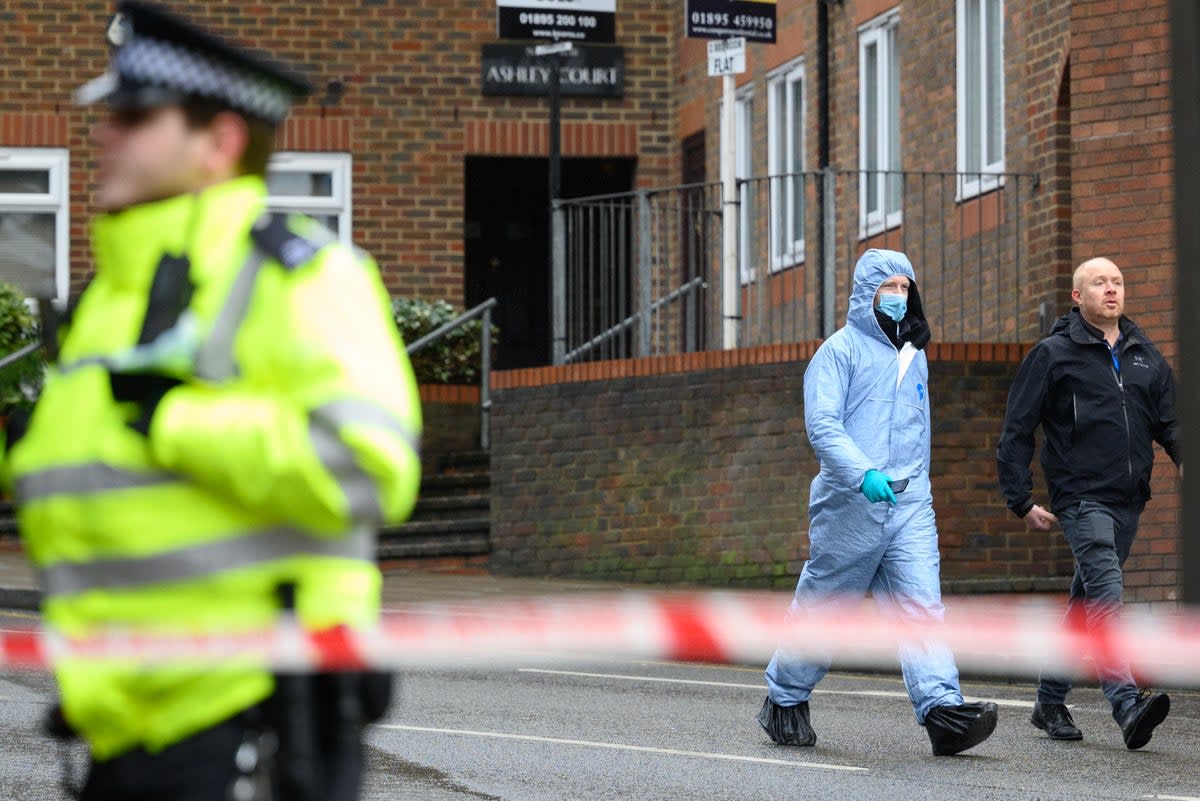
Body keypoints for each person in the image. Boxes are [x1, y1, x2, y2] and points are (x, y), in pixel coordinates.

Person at [1, 2, 422, 799]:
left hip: (247, 719)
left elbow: (370, 465)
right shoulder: (110, 299)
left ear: (221, 141)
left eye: (134, 114)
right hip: (124, 721)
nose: (105, 132)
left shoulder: (300, 276)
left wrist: (174, 418)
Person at [758, 248, 998, 756]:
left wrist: (917, 488)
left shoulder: (915, 356)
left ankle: (943, 710)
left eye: (905, 287)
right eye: (888, 286)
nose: (898, 296)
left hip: (908, 505)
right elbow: (823, 425)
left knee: (922, 606)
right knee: (826, 608)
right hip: (850, 503)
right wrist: (861, 471)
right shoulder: (838, 352)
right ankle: (784, 698)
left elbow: (916, 433)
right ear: (865, 294)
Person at [996, 256, 1180, 750]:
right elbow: (1017, 430)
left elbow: (1172, 424)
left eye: (1117, 281)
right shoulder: (1053, 355)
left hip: (1129, 500)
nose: (1111, 289)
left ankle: (1048, 701)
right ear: (1078, 296)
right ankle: (1126, 702)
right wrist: (1019, 499)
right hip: (1080, 498)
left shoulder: (1146, 356)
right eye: (1099, 283)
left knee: (1086, 601)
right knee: (1106, 596)